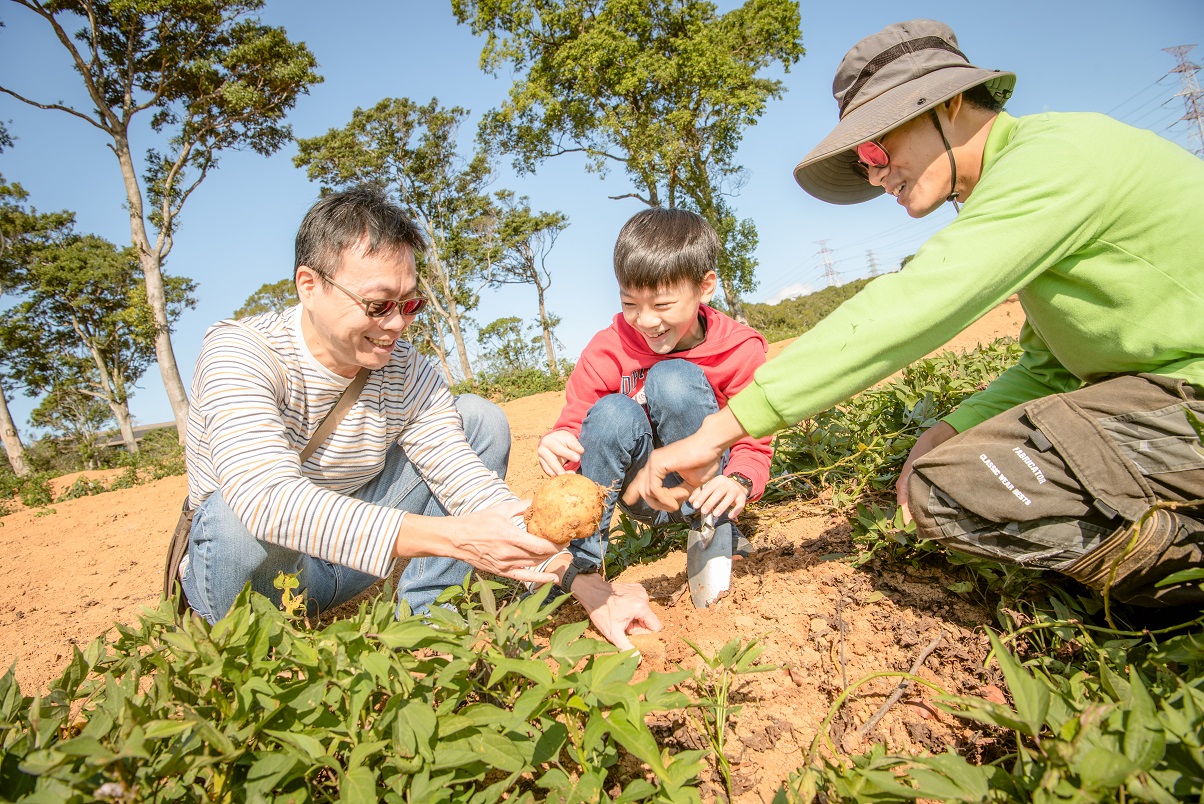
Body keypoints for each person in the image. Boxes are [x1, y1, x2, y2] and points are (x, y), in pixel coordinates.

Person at [632, 19, 1204, 607]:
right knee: (952, 468)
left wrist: (719, 431)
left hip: (1189, 398)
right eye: (863, 163)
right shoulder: (1020, 185)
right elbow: (1049, 366)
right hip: (1156, 394)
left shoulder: (1056, 158)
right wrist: (945, 428)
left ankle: (1181, 571)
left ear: (951, 103)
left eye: (878, 149)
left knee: (949, 487)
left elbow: (917, 303)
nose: (877, 174)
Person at [182, 186, 661, 649]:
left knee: (477, 419)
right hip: (261, 572)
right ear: (310, 285)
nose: (396, 324)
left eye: (409, 304)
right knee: (234, 513)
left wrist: (583, 581)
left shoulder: (409, 369)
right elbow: (266, 501)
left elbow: (465, 483)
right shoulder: (240, 351)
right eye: (377, 305)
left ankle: (430, 619)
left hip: (347, 568)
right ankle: (254, 644)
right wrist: (458, 540)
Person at [538, 208, 773, 574]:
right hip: (639, 492)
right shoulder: (607, 348)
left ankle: (714, 526)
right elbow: (575, 421)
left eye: (662, 304)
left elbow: (754, 438)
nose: (646, 321)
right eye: (629, 303)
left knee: (672, 377)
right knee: (613, 410)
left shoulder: (739, 348)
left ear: (704, 287)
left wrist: (739, 480)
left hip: (709, 485)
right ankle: (581, 562)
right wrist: (560, 441)